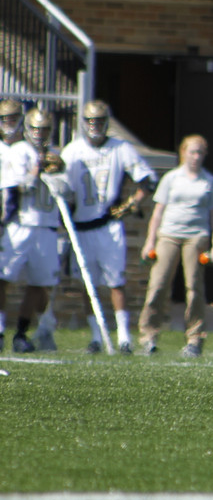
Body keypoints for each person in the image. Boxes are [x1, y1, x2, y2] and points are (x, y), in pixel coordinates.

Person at [59, 100, 157, 355]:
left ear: (107, 123)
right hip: (80, 226)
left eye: (100, 122)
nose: (95, 126)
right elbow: (59, 184)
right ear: (84, 123)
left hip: (108, 226)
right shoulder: (72, 150)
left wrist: (130, 204)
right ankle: (96, 336)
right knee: (87, 285)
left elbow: (147, 181)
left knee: (116, 282)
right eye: (91, 122)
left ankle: (124, 337)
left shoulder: (120, 148)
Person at [137, 135, 213, 357]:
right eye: (192, 152)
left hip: (196, 237)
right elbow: (157, 213)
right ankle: (149, 336)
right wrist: (150, 241)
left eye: (200, 153)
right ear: (183, 153)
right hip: (168, 235)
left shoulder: (209, 182)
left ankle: (195, 339)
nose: (195, 157)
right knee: (158, 285)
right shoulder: (171, 178)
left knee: (194, 289)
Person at [0, 107, 72, 354]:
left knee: (39, 283)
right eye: (35, 129)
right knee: (3, 277)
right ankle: (0, 330)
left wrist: (58, 171)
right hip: (20, 223)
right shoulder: (19, 151)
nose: (40, 134)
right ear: (27, 129)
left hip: (46, 227)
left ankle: (21, 333)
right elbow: (21, 186)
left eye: (44, 130)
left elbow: (65, 191)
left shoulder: (57, 154)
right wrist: (38, 167)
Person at [0, 99, 23, 352]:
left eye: (13, 117)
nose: (9, 123)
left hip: (17, 220)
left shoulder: (24, 148)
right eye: (4, 118)